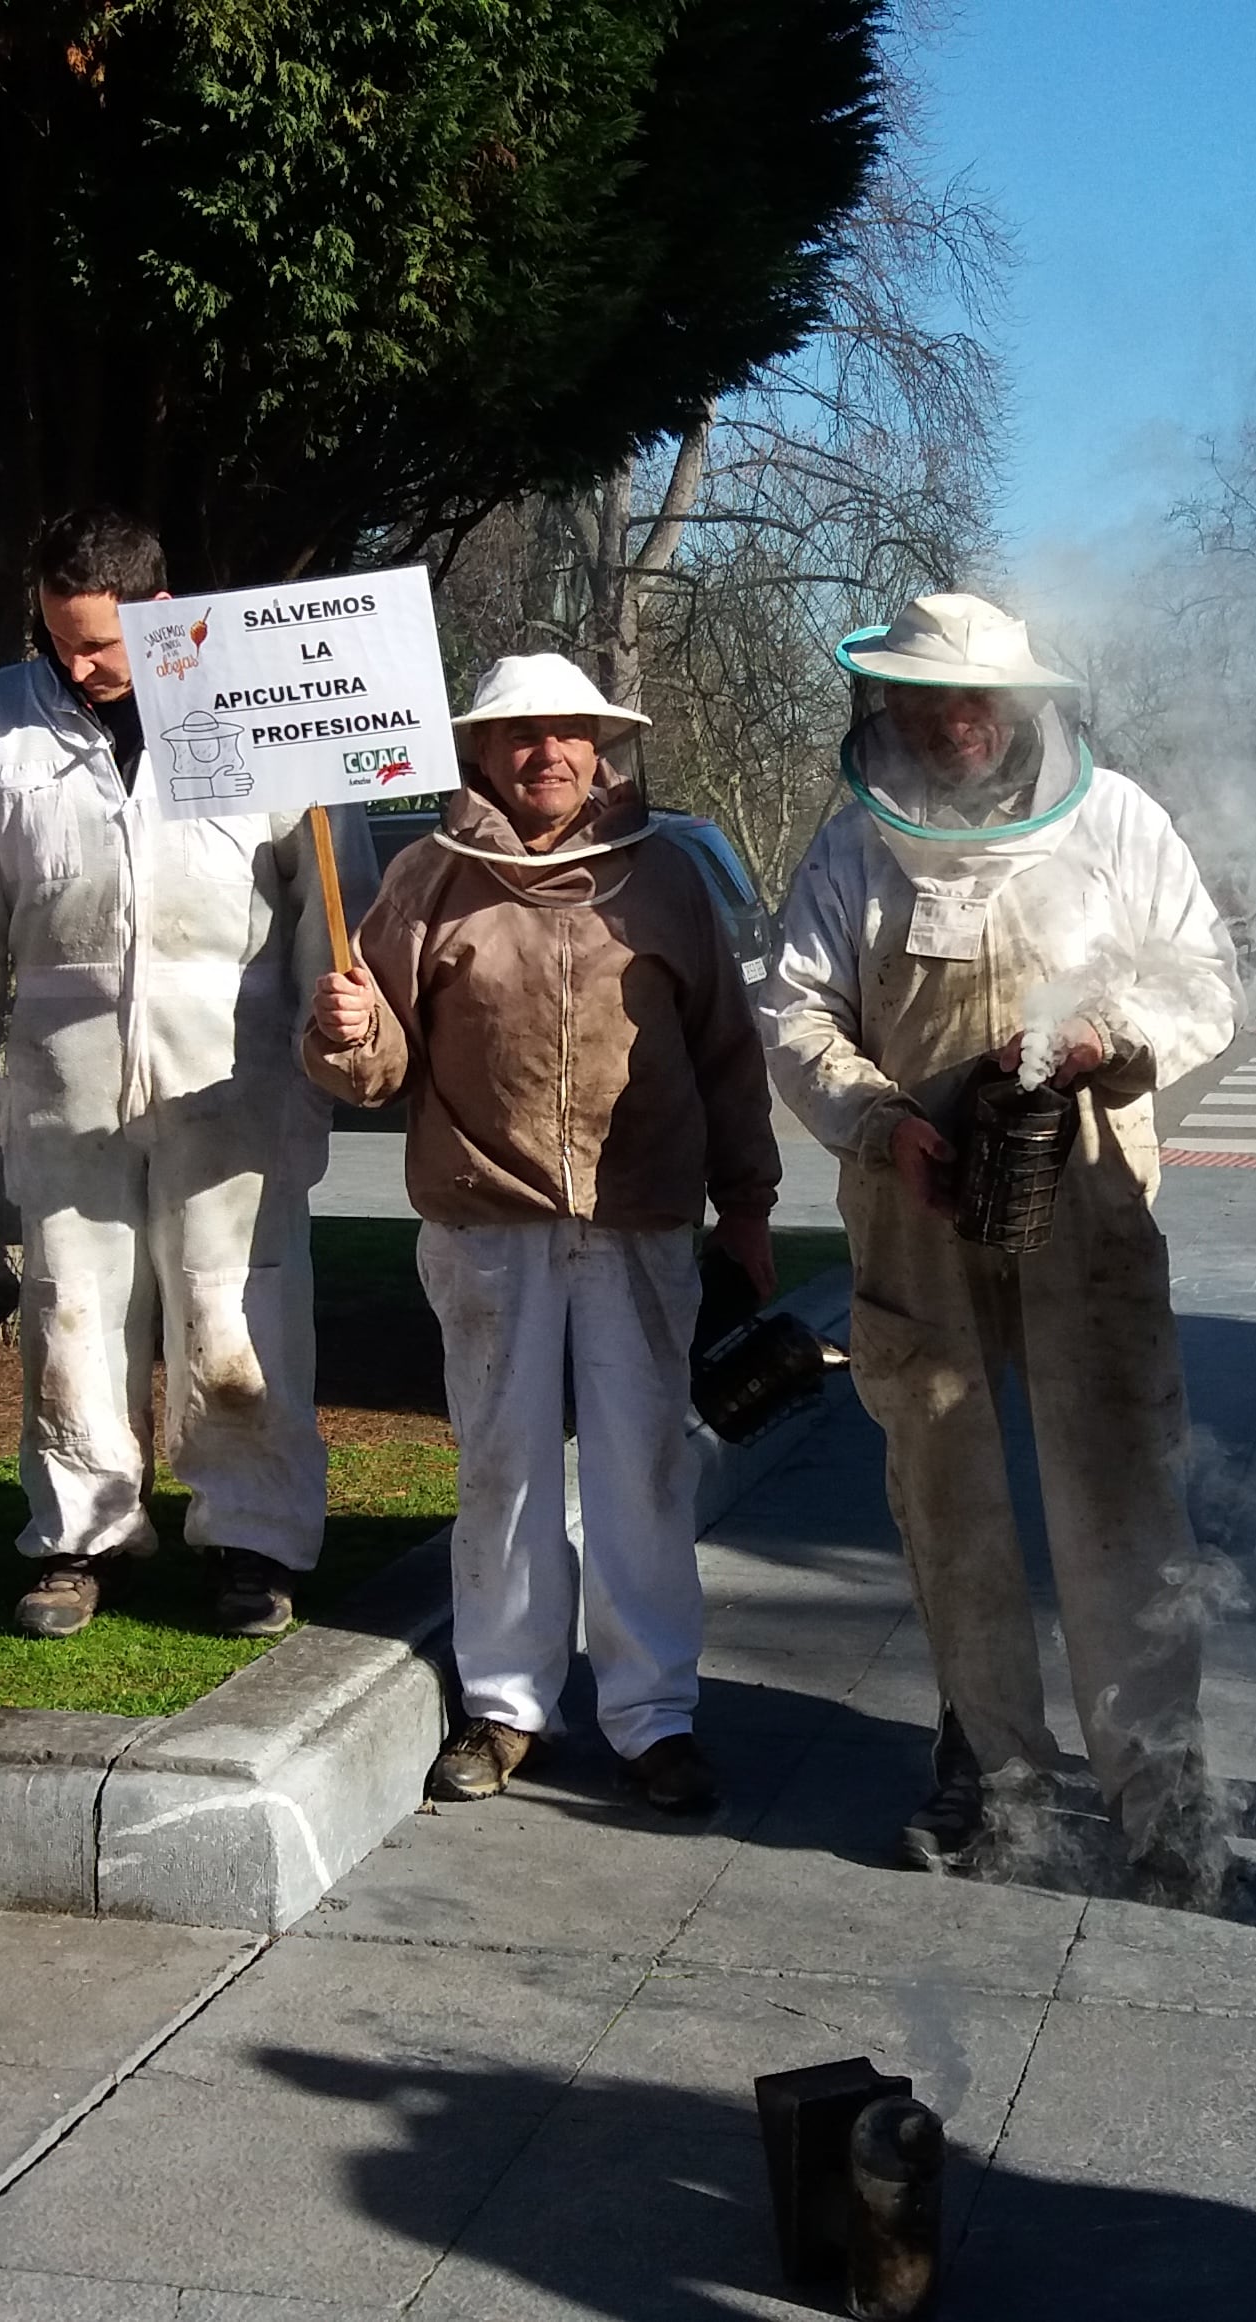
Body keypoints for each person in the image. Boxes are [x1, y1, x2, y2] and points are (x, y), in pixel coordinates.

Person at [760, 591, 1245, 1902]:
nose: (953, 723)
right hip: (914, 1205)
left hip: (1084, 1196)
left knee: (1123, 1494)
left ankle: (1166, 1796)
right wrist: (875, 1121)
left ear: (1026, 708)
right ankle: (995, 1775)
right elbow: (797, 1013)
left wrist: (1110, 1034)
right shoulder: (855, 845)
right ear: (893, 707)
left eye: (975, 701)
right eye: (926, 702)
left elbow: (1205, 983)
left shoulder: (1118, 821)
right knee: (946, 1490)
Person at [302, 654, 780, 1813]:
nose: (546, 754)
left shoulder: (663, 878)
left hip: (640, 1220)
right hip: (487, 1225)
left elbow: (726, 1051)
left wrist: (750, 1206)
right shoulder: (425, 879)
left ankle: (653, 1716)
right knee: (503, 1472)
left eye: (568, 733)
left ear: (600, 747)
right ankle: (508, 1705)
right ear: (479, 753)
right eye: (521, 736)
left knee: (644, 1474)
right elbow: (379, 1068)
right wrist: (349, 1029)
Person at [0, 510, 341, 1642]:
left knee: (236, 1307)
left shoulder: (260, 702)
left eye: (99, 644)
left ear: (157, 614)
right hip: (65, 1080)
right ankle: (78, 1536)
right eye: (57, 641)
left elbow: (332, 900)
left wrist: (339, 1032)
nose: (77, 666)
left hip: (233, 1079)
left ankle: (254, 1538)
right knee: (72, 1308)